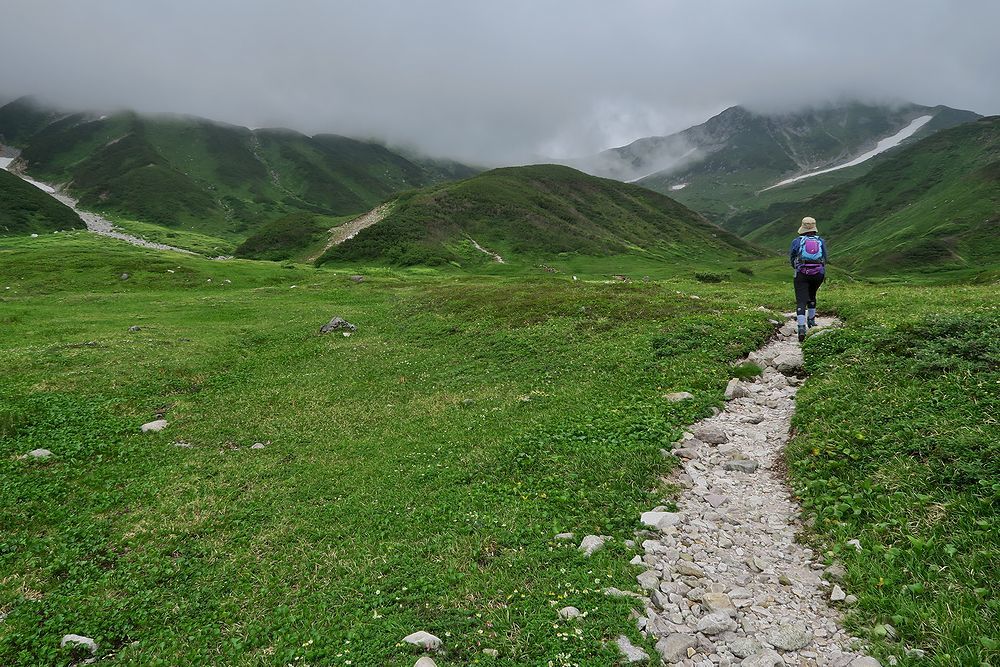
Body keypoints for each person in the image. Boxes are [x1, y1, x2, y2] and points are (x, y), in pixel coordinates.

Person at [789, 216, 828, 342]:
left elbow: (792, 257)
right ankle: (811, 323)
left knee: (801, 300)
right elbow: (825, 258)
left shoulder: (797, 241)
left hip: (802, 273)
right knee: (812, 295)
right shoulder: (820, 241)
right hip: (818, 274)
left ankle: (801, 328)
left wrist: (797, 267)